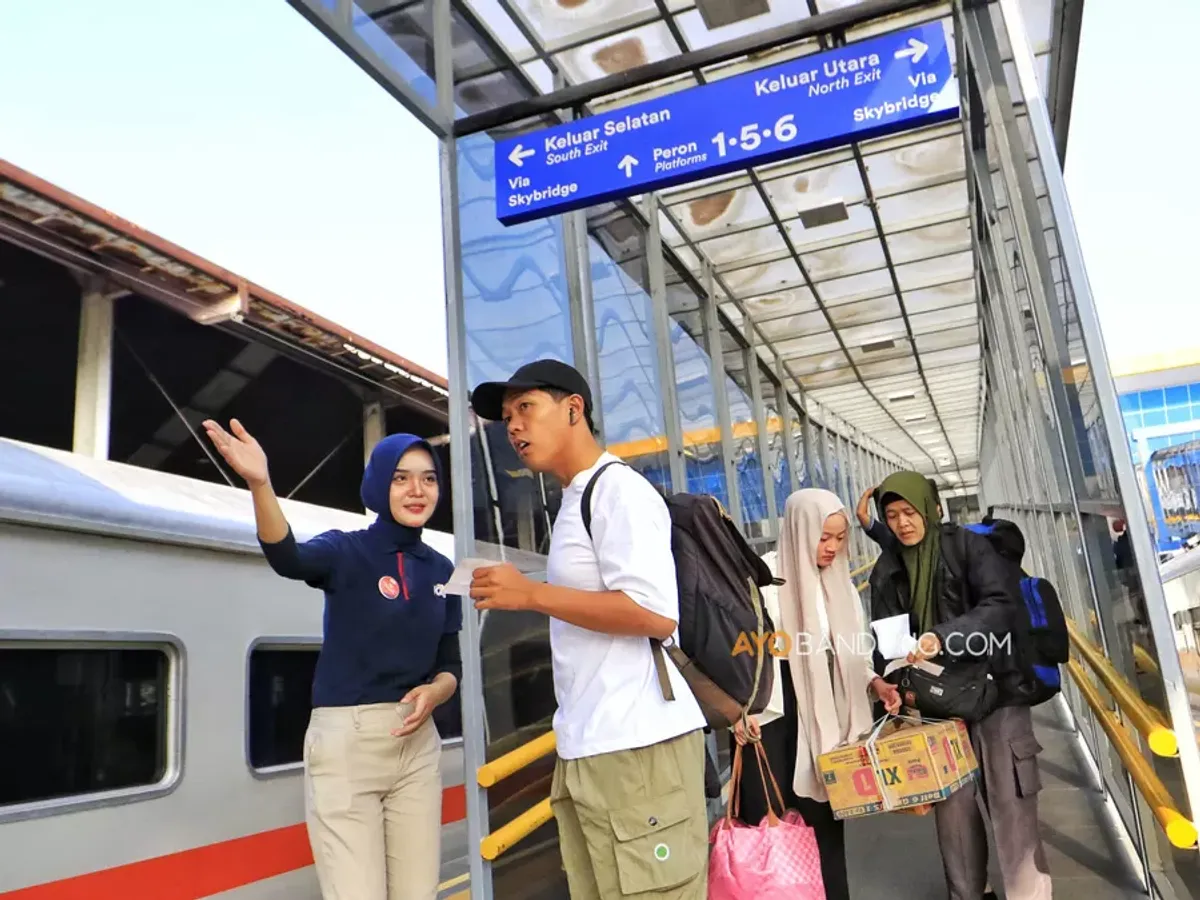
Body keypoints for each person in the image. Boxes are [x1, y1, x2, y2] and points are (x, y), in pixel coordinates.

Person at [466, 359, 709, 900]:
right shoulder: (576, 499)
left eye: (525, 408)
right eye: (506, 418)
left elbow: (653, 613)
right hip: (591, 745)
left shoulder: (619, 491)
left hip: (637, 747)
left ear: (573, 409)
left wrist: (529, 594)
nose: (514, 428)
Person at [203, 418, 461, 900]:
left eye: (428, 478)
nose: (416, 490)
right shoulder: (347, 550)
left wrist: (437, 691)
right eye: (401, 477)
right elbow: (289, 559)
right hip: (348, 746)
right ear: (379, 484)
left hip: (418, 745)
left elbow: (451, 664)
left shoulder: (443, 570)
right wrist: (261, 483)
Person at [869, 472, 1051, 900]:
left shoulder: (967, 547)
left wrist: (945, 636)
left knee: (1009, 800)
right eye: (891, 515)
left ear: (931, 508)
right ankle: (970, 893)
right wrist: (890, 684)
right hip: (937, 700)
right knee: (952, 807)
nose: (902, 523)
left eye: (909, 512)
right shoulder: (887, 568)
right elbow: (883, 637)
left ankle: (1030, 894)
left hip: (995, 691)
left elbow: (1001, 604)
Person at [733, 489, 900, 900]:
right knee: (772, 828)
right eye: (823, 537)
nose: (832, 548)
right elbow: (739, 655)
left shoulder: (837, 582)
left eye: (840, 538)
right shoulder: (763, 578)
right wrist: (737, 710)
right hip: (772, 715)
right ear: (799, 530)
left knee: (824, 824)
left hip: (825, 715)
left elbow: (851, 650)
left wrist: (874, 681)